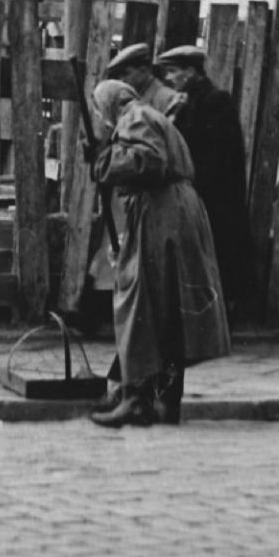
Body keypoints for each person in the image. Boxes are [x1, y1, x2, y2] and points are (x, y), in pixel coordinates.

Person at [87, 43, 230, 429]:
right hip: (172, 212)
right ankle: (162, 402)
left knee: (145, 304)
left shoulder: (135, 117)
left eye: (101, 112)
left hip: (162, 214)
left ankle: (137, 400)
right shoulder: (146, 115)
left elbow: (148, 161)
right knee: (167, 310)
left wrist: (106, 163)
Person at [154, 43, 255, 317]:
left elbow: (216, 153)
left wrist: (196, 182)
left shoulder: (214, 101)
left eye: (174, 71)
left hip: (214, 193)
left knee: (219, 251)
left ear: (190, 71)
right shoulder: (187, 101)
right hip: (200, 190)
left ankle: (221, 312)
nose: (169, 78)